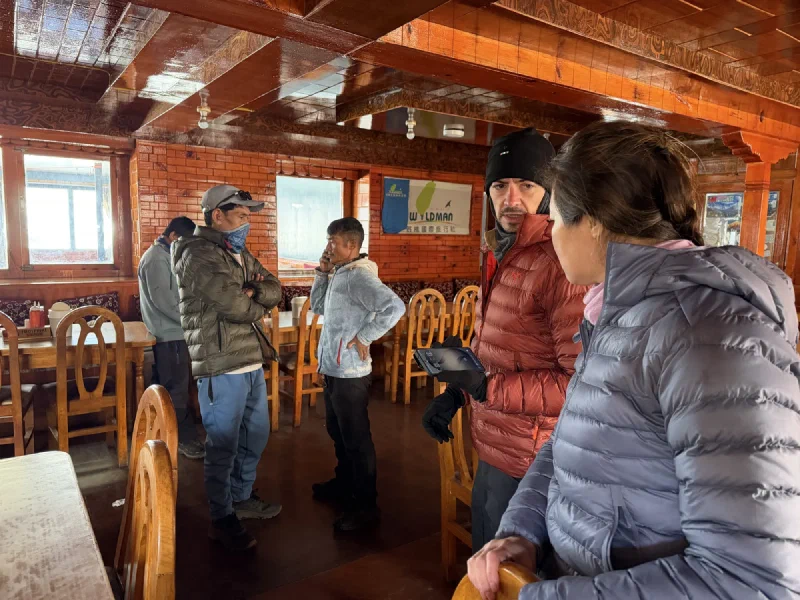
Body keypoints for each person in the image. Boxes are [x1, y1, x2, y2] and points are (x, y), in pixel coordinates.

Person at [468, 121, 800, 599]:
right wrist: (521, 531)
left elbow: (751, 580)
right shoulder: (619, 313)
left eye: (558, 218)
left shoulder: (711, 335)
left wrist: (544, 597)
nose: (552, 232)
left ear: (595, 223)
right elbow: (567, 448)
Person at [422, 128, 586, 551]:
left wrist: (487, 388)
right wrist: (458, 396)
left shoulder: (560, 263)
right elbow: (496, 349)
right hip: (493, 441)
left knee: (508, 573)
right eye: (500, 185)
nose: (511, 199)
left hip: (532, 459)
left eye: (526, 185)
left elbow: (580, 386)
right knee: (485, 558)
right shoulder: (501, 253)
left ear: (549, 191)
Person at [172, 184, 282, 552]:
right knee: (223, 445)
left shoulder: (236, 251)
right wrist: (254, 299)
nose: (246, 224)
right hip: (220, 364)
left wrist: (255, 291)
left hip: (250, 359)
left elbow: (275, 287)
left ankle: (242, 495)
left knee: (256, 436)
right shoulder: (195, 252)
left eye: (249, 216)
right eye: (240, 216)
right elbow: (234, 306)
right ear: (216, 215)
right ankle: (221, 517)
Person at [309, 217, 405, 532]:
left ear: (352, 246)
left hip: (351, 373)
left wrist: (365, 337)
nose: (328, 248)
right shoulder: (340, 273)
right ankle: (343, 483)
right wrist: (322, 274)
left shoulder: (358, 278)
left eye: (333, 242)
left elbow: (395, 307)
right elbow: (317, 306)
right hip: (335, 369)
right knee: (339, 433)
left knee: (357, 439)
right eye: (328, 241)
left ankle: (365, 506)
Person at [138, 216, 205, 459]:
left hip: (173, 332)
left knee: (170, 386)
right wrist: (195, 319)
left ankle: (164, 435)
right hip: (170, 334)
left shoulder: (165, 256)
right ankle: (183, 440)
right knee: (176, 389)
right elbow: (166, 303)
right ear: (174, 237)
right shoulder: (156, 259)